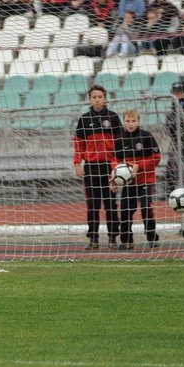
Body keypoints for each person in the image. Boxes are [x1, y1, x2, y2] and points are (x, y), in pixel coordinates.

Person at [73, 85, 122, 250]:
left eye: (100, 97)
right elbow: (79, 144)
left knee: (110, 204)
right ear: (89, 99)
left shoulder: (113, 117)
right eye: (94, 97)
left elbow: (120, 144)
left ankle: (113, 238)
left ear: (105, 98)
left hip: (109, 167)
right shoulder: (84, 119)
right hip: (91, 167)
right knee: (92, 205)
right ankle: (93, 238)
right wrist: (77, 163)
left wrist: (116, 167)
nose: (97, 100)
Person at [112, 109, 162, 250]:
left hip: (145, 179)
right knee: (125, 210)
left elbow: (156, 158)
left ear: (138, 121)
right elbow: (115, 161)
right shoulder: (120, 139)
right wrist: (114, 176)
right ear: (124, 122)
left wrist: (138, 166)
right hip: (128, 182)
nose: (130, 124)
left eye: (133, 121)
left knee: (146, 207)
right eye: (128, 121)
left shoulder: (147, 136)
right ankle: (127, 240)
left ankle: (152, 237)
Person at [164, 82, 184, 194]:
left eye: (178, 91)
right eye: (175, 91)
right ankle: (176, 191)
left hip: (182, 142)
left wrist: (170, 125)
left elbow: (182, 125)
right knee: (174, 169)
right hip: (176, 141)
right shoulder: (177, 105)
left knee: (178, 169)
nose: (176, 94)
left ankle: (180, 192)